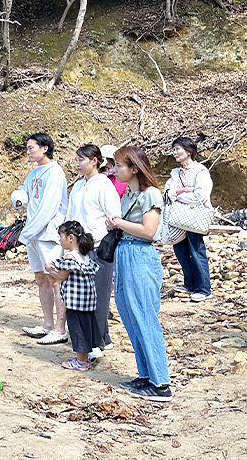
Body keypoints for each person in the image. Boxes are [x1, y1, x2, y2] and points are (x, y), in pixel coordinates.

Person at [106, 146, 171, 402]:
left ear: (134, 168)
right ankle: (145, 375)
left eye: (119, 165)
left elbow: (149, 231)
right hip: (125, 254)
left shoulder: (150, 194)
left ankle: (161, 382)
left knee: (144, 315)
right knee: (130, 315)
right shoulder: (129, 194)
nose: (114, 170)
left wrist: (119, 223)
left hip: (140, 255)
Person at [11, 133, 69, 345]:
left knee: (55, 279)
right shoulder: (34, 173)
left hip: (48, 234)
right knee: (40, 279)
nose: (28, 151)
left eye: (31, 147)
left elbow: (48, 208)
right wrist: (18, 199)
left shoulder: (54, 173)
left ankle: (60, 328)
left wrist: (26, 234)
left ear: (45, 148)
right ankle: (47, 324)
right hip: (34, 233)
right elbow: (24, 193)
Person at [66, 144, 120, 357]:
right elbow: (71, 215)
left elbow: (114, 215)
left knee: (98, 296)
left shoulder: (104, 185)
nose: (78, 164)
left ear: (95, 161)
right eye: (77, 160)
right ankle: (99, 339)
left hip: (98, 247)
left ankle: (97, 342)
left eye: (82, 160)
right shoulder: (79, 186)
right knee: (82, 296)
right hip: (79, 249)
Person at [46, 221, 101, 372]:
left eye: (60, 236)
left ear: (70, 238)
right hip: (87, 301)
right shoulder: (85, 254)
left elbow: (62, 276)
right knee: (86, 328)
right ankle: (85, 357)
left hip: (75, 301)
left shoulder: (70, 256)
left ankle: (81, 361)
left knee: (77, 330)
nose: (59, 240)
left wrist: (50, 270)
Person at [165, 137, 214, 302]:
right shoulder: (175, 173)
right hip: (179, 217)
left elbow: (200, 196)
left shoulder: (201, 171)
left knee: (196, 250)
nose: (175, 152)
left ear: (189, 151)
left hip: (194, 215)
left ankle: (204, 288)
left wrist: (178, 193)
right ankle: (190, 283)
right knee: (180, 250)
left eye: (178, 149)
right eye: (174, 149)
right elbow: (168, 193)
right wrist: (184, 190)